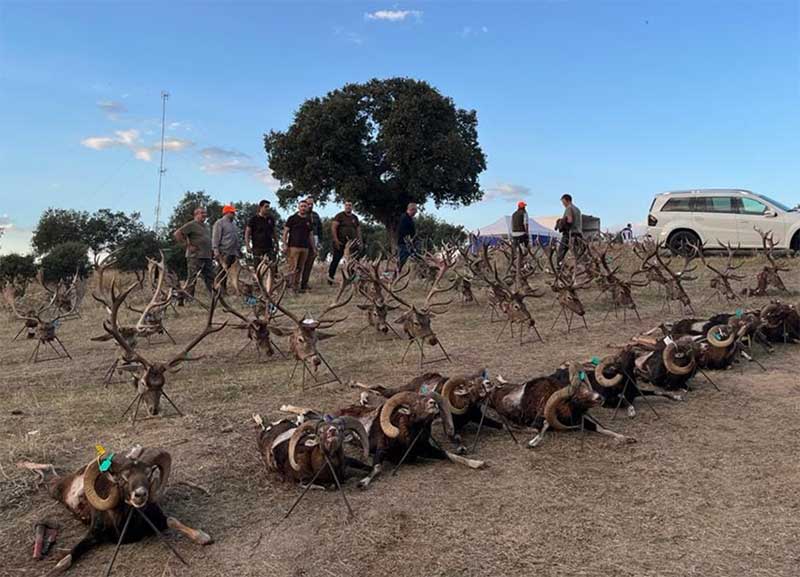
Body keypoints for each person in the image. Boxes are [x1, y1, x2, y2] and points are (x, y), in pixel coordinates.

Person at [174, 207, 214, 296]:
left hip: (206, 256)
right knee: (192, 278)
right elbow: (177, 234)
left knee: (210, 277)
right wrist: (187, 246)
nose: (205, 215)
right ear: (196, 215)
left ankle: (214, 296)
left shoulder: (207, 226)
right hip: (195, 256)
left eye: (205, 213)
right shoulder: (191, 225)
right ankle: (188, 297)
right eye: (202, 213)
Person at [283, 200, 314, 292]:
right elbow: (285, 232)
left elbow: (311, 235)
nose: (303, 208)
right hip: (293, 247)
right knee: (292, 267)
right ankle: (290, 287)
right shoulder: (292, 218)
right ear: (298, 207)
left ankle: (296, 287)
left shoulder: (308, 220)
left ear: (307, 208)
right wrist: (284, 245)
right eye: (302, 206)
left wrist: (314, 248)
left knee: (300, 268)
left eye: (305, 206)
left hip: (305, 247)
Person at [328, 201, 362, 283]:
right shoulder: (339, 216)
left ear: (352, 207)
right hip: (341, 242)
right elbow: (333, 227)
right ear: (344, 206)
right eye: (346, 205)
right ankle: (330, 278)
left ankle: (353, 278)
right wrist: (336, 240)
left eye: (350, 205)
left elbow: (358, 229)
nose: (348, 207)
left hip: (352, 243)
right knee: (336, 259)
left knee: (353, 261)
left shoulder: (355, 217)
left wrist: (360, 240)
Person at [300, 197, 323, 291]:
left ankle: (305, 283)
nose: (309, 206)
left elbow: (320, 229)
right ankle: (294, 284)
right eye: (308, 204)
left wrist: (320, 241)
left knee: (309, 263)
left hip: (314, 239)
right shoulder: (299, 215)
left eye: (311, 204)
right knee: (299, 263)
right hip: (302, 241)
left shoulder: (315, 215)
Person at [556, 193, 583, 266]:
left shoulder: (569, 208)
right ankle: (578, 269)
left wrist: (561, 222)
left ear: (567, 200)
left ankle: (559, 270)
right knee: (577, 254)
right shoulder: (577, 209)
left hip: (569, 235)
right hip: (578, 234)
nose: (563, 204)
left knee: (560, 253)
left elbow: (570, 220)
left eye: (563, 202)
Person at [397, 202, 417, 271]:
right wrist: (408, 240)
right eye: (415, 211)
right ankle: (397, 274)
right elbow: (402, 231)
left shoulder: (409, 218)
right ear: (412, 210)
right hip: (404, 244)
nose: (416, 213)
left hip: (409, 243)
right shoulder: (404, 218)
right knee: (402, 260)